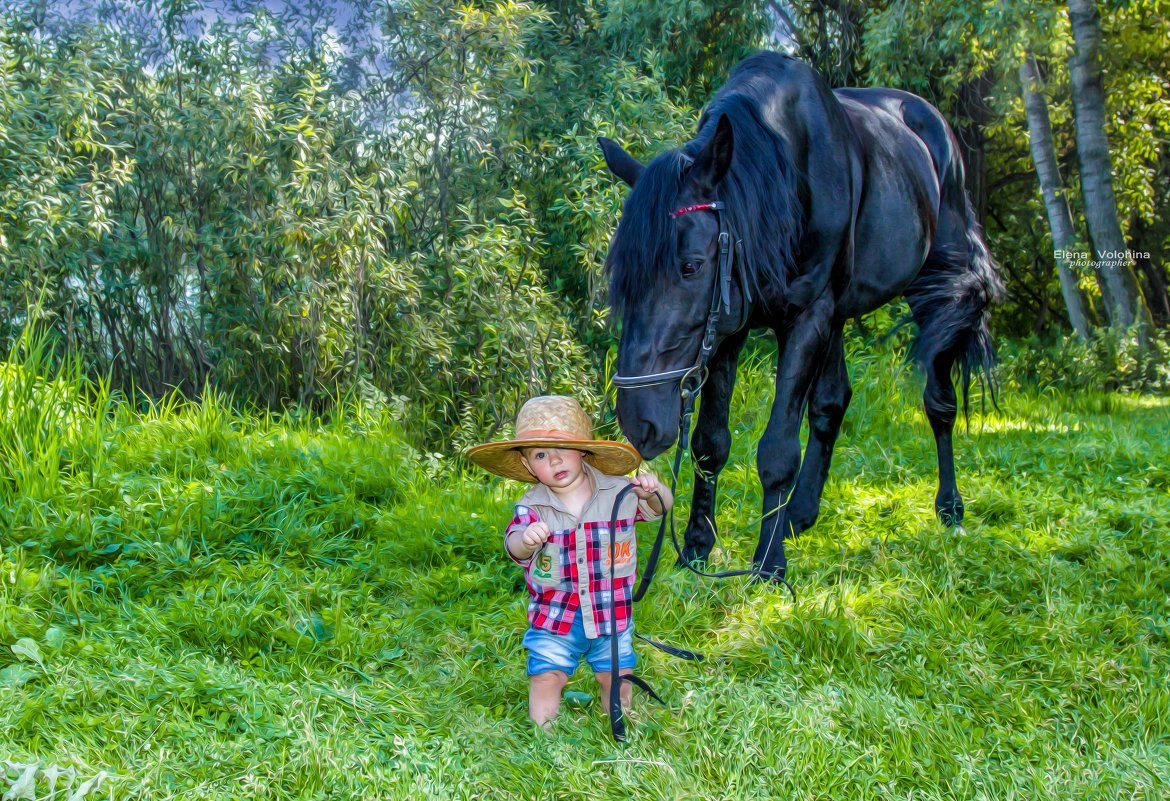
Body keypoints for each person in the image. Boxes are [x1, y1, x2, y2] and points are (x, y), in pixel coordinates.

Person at [466, 395, 673, 727]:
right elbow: (513, 544)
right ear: (526, 464)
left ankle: (620, 723)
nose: (555, 460)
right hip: (556, 616)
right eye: (541, 455)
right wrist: (526, 540)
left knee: (616, 676)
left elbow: (659, 508)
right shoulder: (533, 506)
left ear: (584, 452)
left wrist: (653, 491)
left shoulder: (618, 492)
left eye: (564, 448)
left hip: (611, 612)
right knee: (546, 675)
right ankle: (544, 736)